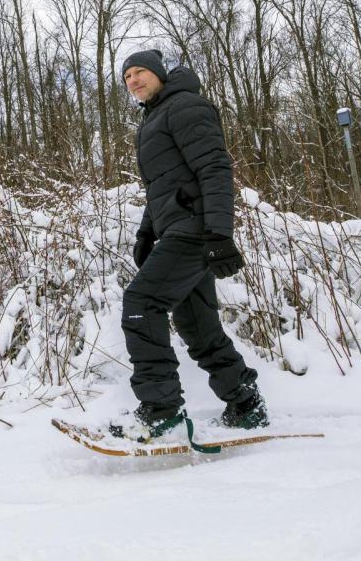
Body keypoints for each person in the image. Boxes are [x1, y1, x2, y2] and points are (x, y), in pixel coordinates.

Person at [110, 49, 268, 441]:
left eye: (140, 71)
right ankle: (245, 404)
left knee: (142, 304)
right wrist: (148, 231)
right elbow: (164, 187)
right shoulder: (154, 118)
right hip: (179, 228)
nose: (133, 80)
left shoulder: (185, 106)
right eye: (127, 76)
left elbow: (213, 168)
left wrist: (219, 233)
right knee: (198, 327)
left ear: (161, 73)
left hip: (195, 230)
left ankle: (161, 411)